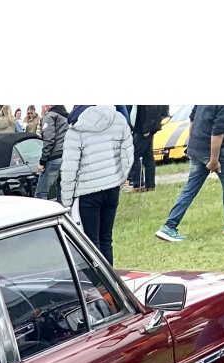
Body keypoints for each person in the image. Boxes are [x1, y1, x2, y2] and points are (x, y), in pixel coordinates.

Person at [156, 106, 224, 241]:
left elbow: (193, 120)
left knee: (190, 189)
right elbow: (218, 131)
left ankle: (169, 226)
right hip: (218, 151)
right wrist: (214, 160)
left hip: (197, 148)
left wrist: (192, 146)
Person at [59, 106, 133, 265]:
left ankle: (98, 284)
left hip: (87, 190)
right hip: (111, 187)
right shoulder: (118, 120)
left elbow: (69, 169)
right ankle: (109, 282)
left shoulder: (76, 129)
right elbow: (127, 154)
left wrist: (66, 201)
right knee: (106, 239)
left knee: (91, 242)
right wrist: (119, 178)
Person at [35, 105, 69, 201]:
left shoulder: (50, 116)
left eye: (42, 106)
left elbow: (49, 140)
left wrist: (42, 161)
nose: (41, 109)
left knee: (40, 194)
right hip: (66, 157)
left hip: (54, 158)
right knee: (62, 194)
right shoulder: (66, 117)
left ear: (48, 106)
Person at [127, 105, 164, 193]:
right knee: (148, 157)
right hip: (142, 128)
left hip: (144, 129)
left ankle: (138, 185)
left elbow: (152, 110)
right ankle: (150, 184)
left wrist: (147, 129)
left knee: (135, 155)